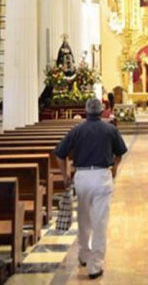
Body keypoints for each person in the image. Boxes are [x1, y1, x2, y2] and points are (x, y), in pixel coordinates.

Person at [54, 98, 128, 280]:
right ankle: (95, 266)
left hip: (82, 176)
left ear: (86, 111)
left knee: (83, 217)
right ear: (101, 110)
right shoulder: (110, 128)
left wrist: (65, 175)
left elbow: (59, 154)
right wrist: (114, 168)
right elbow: (120, 152)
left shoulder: (76, 130)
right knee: (100, 221)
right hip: (102, 176)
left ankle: (84, 254)